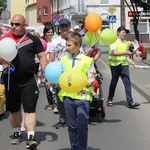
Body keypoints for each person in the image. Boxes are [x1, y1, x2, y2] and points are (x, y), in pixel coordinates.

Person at [0, 14, 47, 149]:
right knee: (13, 109)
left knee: (29, 108)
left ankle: (31, 136)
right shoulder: (5, 39)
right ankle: (16, 133)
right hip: (11, 80)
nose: (14, 26)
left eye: (17, 24)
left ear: (24, 25)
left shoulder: (32, 39)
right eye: (12, 24)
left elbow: (42, 55)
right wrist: (2, 61)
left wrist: (44, 67)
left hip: (28, 80)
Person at [58, 32, 96, 150]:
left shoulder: (87, 60)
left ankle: (82, 147)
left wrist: (90, 80)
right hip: (68, 97)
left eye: (69, 45)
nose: (67, 47)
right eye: (66, 45)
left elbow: (92, 75)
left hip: (83, 96)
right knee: (72, 126)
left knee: (82, 124)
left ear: (78, 45)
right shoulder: (63, 59)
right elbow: (60, 75)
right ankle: (74, 147)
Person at [107, 26, 140, 108]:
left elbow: (126, 56)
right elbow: (115, 53)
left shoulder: (125, 42)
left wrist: (131, 62)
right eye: (123, 32)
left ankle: (130, 102)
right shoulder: (113, 42)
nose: (124, 34)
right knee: (114, 82)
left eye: (125, 32)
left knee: (127, 83)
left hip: (124, 66)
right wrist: (126, 52)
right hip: (115, 66)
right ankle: (110, 99)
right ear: (118, 32)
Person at [47, 18, 71, 129]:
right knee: (60, 97)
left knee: (73, 97)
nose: (64, 28)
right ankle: (63, 119)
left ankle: (72, 118)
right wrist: (48, 78)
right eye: (62, 26)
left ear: (69, 27)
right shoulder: (54, 42)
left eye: (66, 26)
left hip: (72, 73)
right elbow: (51, 60)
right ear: (59, 28)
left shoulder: (75, 40)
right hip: (58, 75)